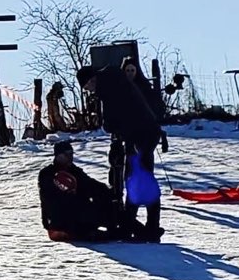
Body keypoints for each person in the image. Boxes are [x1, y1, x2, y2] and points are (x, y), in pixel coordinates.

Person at [82, 54, 167, 243]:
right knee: (136, 179)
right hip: (139, 136)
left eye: (87, 87)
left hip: (141, 136)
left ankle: (142, 228)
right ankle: (138, 226)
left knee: (139, 180)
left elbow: (113, 118)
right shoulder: (113, 81)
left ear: (92, 80)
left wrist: (109, 125)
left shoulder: (108, 87)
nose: (89, 91)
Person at [38, 137, 118, 241]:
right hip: (59, 221)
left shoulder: (74, 171)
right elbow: (51, 198)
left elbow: (90, 185)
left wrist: (109, 192)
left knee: (107, 202)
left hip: (78, 214)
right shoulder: (47, 174)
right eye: (66, 154)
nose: (70, 157)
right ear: (58, 156)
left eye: (71, 154)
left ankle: (123, 227)